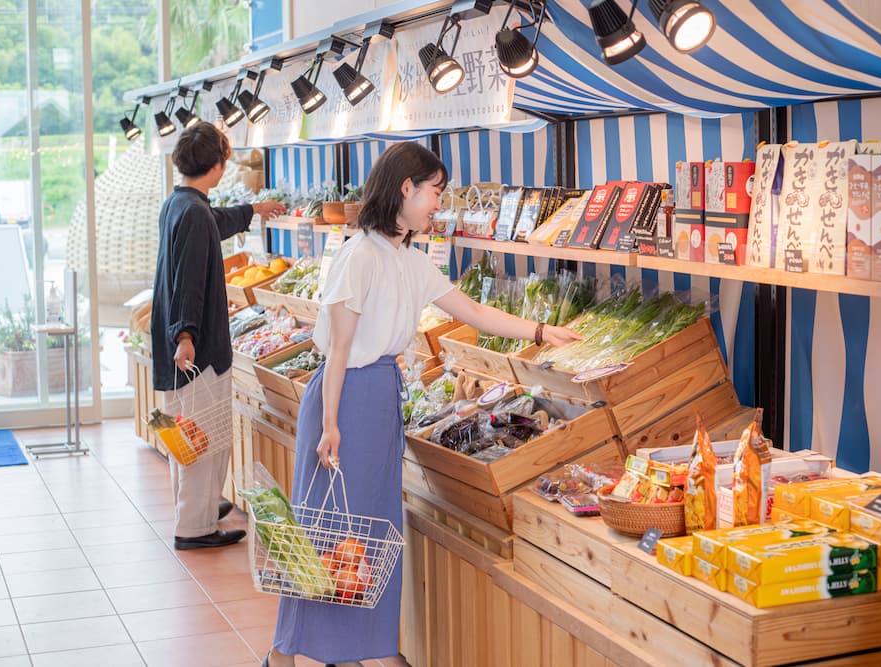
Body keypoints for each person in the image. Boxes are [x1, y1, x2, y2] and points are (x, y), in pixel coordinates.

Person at [262, 142, 581, 667]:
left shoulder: (409, 261)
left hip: (380, 396)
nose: (439, 201)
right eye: (434, 191)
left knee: (375, 528)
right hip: (344, 400)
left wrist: (543, 331)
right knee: (326, 527)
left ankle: (372, 648)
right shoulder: (357, 255)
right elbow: (340, 350)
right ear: (405, 188)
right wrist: (330, 425)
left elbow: (473, 312)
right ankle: (286, 652)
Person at [151, 122, 285, 550]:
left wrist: (253, 211)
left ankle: (200, 509)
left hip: (179, 345)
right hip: (196, 349)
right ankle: (195, 526)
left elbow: (213, 221)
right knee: (203, 439)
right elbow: (189, 281)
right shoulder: (192, 212)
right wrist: (186, 335)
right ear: (219, 164)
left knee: (185, 433)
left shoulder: (181, 203)